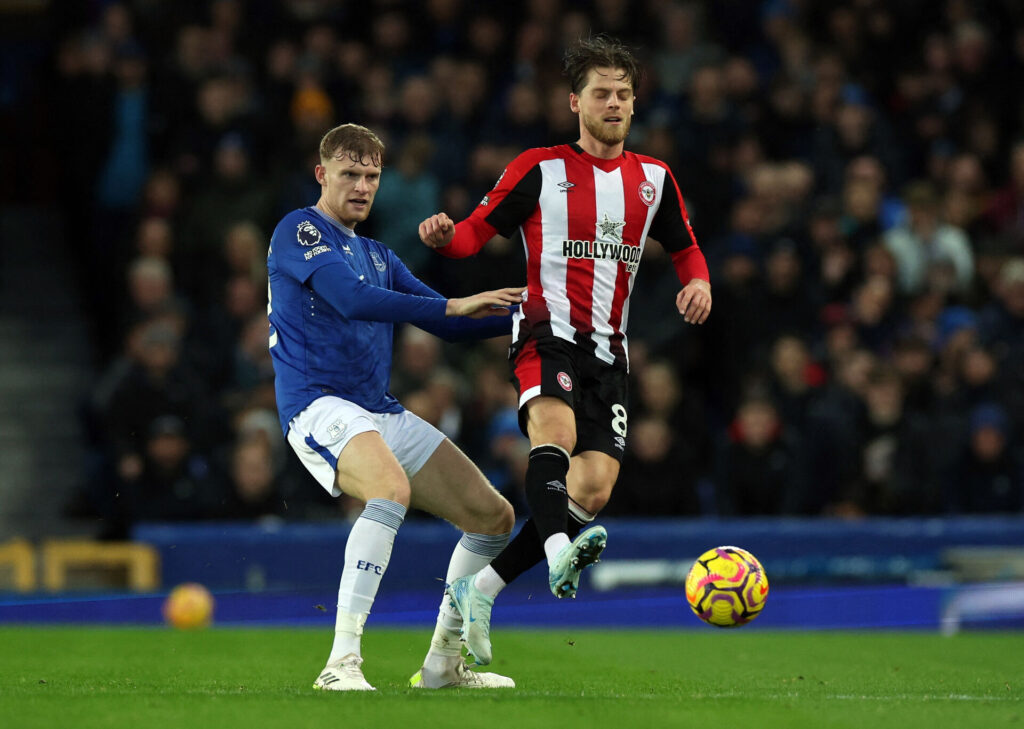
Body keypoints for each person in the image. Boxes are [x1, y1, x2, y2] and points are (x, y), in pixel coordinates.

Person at [418, 35, 712, 666]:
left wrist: (699, 282)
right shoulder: (539, 169)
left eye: (624, 94)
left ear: (635, 104)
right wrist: (445, 238)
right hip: (545, 331)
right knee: (552, 431)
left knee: (596, 487)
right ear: (574, 102)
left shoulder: (654, 181)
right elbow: (473, 234)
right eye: (601, 93)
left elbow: (684, 246)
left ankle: (484, 589)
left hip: (611, 352)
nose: (614, 103)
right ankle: (557, 555)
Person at [267, 123, 527, 691]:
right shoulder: (299, 230)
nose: (361, 186)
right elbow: (351, 299)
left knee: (494, 517)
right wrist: (456, 305)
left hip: (377, 409)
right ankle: (340, 664)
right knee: (391, 490)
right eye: (349, 174)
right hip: (318, 404)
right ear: (322, 174)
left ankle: (442, 665)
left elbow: (444, 320)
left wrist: (530, 315)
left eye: (371, 176)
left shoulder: (378, 254)